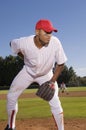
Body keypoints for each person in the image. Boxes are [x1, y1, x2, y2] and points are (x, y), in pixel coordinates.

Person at [4, 19, 67, 130]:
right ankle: (11, 126)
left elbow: (61, 63)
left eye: (50, 32)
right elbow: (12, 44)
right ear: (37, 32)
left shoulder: (55, 42)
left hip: (46, 75)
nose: (49, 35)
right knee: (11, 96)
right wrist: (23, 56)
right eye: (46, 32)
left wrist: (52, 81)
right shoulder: (24, 42)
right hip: (28, 72)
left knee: (55, 101)